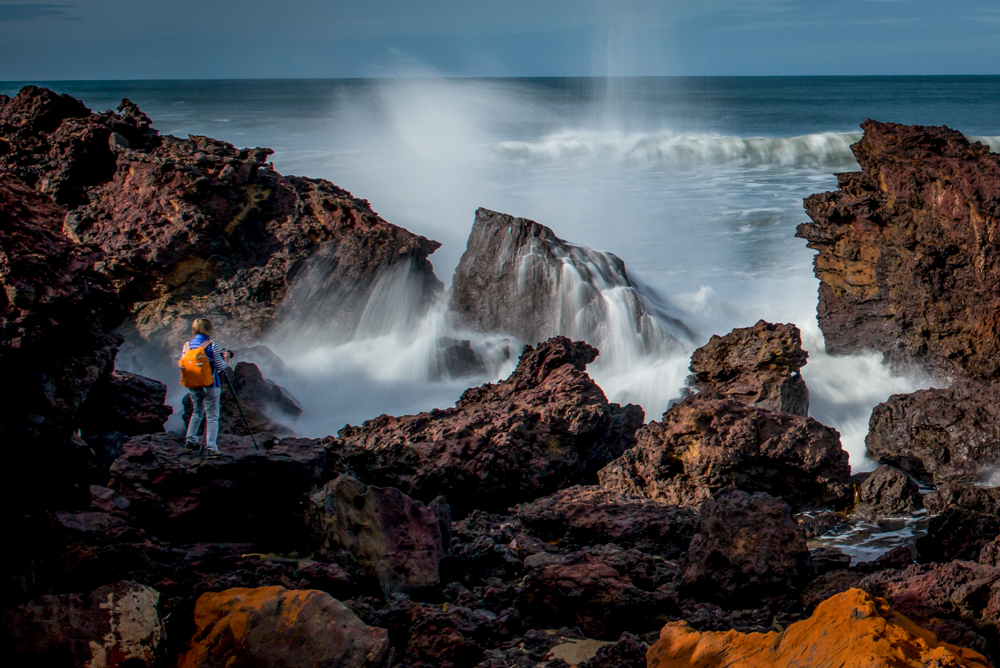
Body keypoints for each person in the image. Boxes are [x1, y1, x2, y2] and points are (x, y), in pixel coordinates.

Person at [182, 318, 232, 454]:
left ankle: (190, 440)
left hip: (193, 385)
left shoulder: (186, 346)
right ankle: (211, 447)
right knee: (212, 416)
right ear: (209, 329)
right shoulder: (212, 346)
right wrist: (226, 358)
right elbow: (220, 367)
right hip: (211, 385)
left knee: (197, 411)